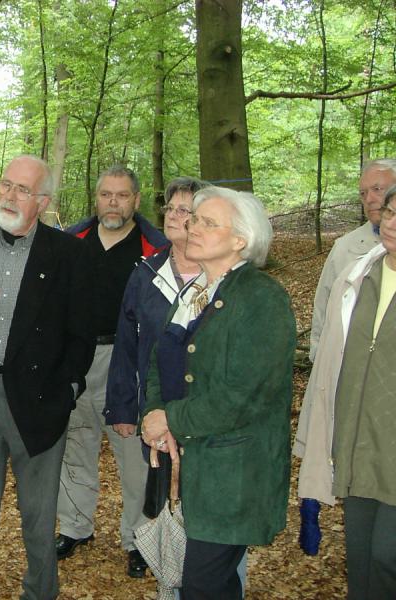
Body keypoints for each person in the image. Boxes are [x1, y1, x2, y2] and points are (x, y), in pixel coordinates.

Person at [0, 155, 96, 600]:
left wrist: (66, 389)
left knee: (39, 518)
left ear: (42, 201)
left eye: (22, 190)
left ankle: (40, 593)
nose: (9, 196)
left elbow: (82, 333)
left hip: (40, 401)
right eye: (6, 185)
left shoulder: (69, 254)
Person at [140, 187, 296, 600]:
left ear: (241, 239)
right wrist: (155, 413)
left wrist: (170, 418)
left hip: (234, 474)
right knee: (210, 586)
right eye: (195, 219)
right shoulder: (195, 294)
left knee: (203, 585)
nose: (194, 227)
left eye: (209, 222)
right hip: (190, 467)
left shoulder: (260, 298)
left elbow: (243, 397)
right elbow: (161, 360)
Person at [55, 166, 167, 577]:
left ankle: (137, 539)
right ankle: (75, 526)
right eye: (106, 195)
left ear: (136, 200)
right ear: (96, 198)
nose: (113, 202)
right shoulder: (72, 243)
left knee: (134, 455)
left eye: (122, 195)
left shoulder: (156, 248)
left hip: (130, 361)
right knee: (75, 444)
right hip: (78, 357)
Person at [295, 185, 396, 600]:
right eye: (390, 213)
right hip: (356, 448)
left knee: (387, 556)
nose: (393, 223)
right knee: (362, 562)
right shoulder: (358, 276)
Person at [309, 158, 396, 360]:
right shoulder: (346, 247)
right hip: (352, 362)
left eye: (377, 189)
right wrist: (319, 357)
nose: (369, 199)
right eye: (363, 193)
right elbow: (324, 305)